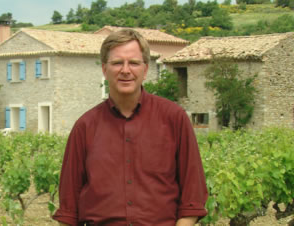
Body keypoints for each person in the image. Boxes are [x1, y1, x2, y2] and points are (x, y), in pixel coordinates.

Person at [52, 29, 208, 226]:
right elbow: (68, 211)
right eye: (117, 63)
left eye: (133, 63)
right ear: (104, 69)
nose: (125, 70)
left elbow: (192, 199)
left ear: (145, 69)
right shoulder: (84, 127)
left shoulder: (174, 119)